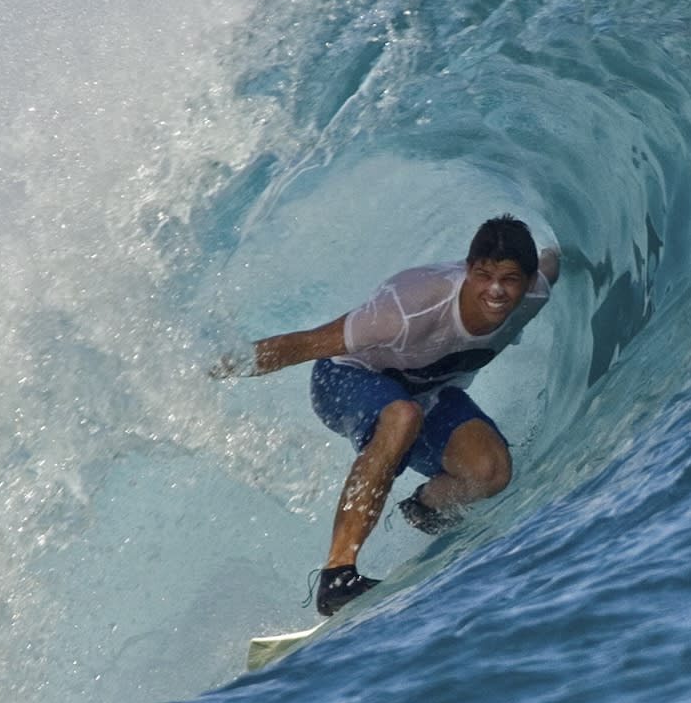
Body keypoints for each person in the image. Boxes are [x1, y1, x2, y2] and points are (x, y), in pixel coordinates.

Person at [213, 215, 559, 616]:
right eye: (483, 275)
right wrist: (213, 370)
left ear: (529, 281)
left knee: (490, 471)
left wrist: (560, 244)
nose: (495, 290)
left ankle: (425, 509)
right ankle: (338, 575)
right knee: (401, 417)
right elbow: (304, 344)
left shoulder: (536, 294)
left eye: (510, 279)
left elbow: (552, 261)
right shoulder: (408, 308)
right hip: (344, 378)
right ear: (468, 270)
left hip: (426, 393)